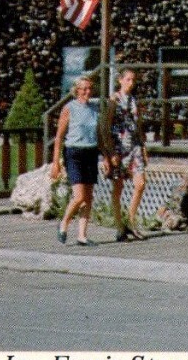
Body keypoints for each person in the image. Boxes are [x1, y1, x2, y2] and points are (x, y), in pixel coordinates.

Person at [49, 75, 101, 245]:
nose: (87, 92)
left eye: (89, 88)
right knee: (79, 196)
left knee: (88, 197)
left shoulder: (95, 109)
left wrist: (107, 157)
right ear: (77, 90)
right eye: (84, 89)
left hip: (91, 152)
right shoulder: (69, 108)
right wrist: (56, 163)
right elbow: (59, 137)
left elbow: (100, 135)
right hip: (74, 153)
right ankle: (64, 223)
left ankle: (82, 235)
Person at [102, 68, 148, 242]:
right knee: (118, 187)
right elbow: (105, 127)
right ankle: (119, 227)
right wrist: (109, 153)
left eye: (133, 80)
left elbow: (138, 124)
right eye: (128, 79)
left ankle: (131, 220)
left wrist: (143, 145)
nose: (131, 83)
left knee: (140, 184)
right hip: (119, 148)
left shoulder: (134, 100)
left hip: (134, 146)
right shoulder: (114, 100)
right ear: (120, 80)